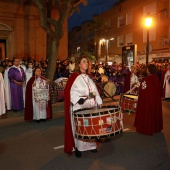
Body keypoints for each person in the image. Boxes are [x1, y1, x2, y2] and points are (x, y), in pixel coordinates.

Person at [64, 56, 103, 158]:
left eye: (87, 62)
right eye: (84, 62)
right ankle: (78, 147)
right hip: (78, 107)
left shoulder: (90, 77)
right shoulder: (74, 77)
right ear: (79, 64)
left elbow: (95, 92)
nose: (86, 63)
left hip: (90, 107)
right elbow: (69, 91)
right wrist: (77, 99)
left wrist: (99, 101)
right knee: (79, 128)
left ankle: (91, 146)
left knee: (90, 127)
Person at [134, 64, 163, 135]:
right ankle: (155, 128)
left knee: (147, 113)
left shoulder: (147, 79)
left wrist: (141, 82)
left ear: (149, 70)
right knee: (154, 113)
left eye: (147, 69)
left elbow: (143, 90)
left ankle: (146, 128)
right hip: (155, 101)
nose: (146, 70)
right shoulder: (156, 78)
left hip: (147, 101)